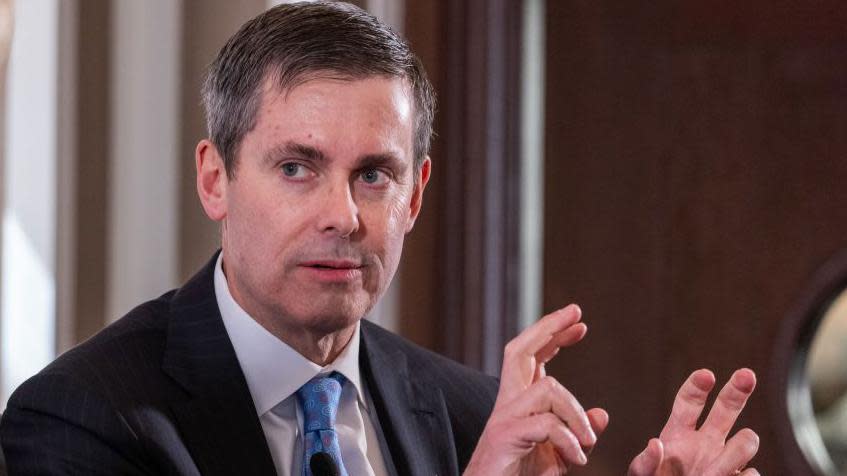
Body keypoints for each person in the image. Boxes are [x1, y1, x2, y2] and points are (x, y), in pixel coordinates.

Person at [0, 2, 760, 475]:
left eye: (373, 175)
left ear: (415, 195)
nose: (344, 215)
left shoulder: (472, 417)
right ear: (215, 179)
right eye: (297, 168)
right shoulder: (83, 416)